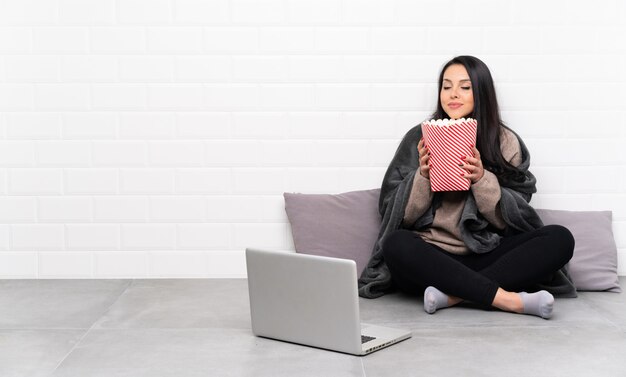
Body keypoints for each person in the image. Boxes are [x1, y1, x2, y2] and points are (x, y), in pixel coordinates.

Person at [358, 56, 576, 319]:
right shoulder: (419, 137)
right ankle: (509, 300)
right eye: (446, 86)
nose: (453, 95)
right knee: (396, 244)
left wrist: (481, 179)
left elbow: (513, 218)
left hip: (487, 252)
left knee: (560, 239)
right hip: (432, 256)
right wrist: (423, 176)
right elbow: (394, 213)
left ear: (481, 91)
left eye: (464, 86)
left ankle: (451, 296)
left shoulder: (504, 141)